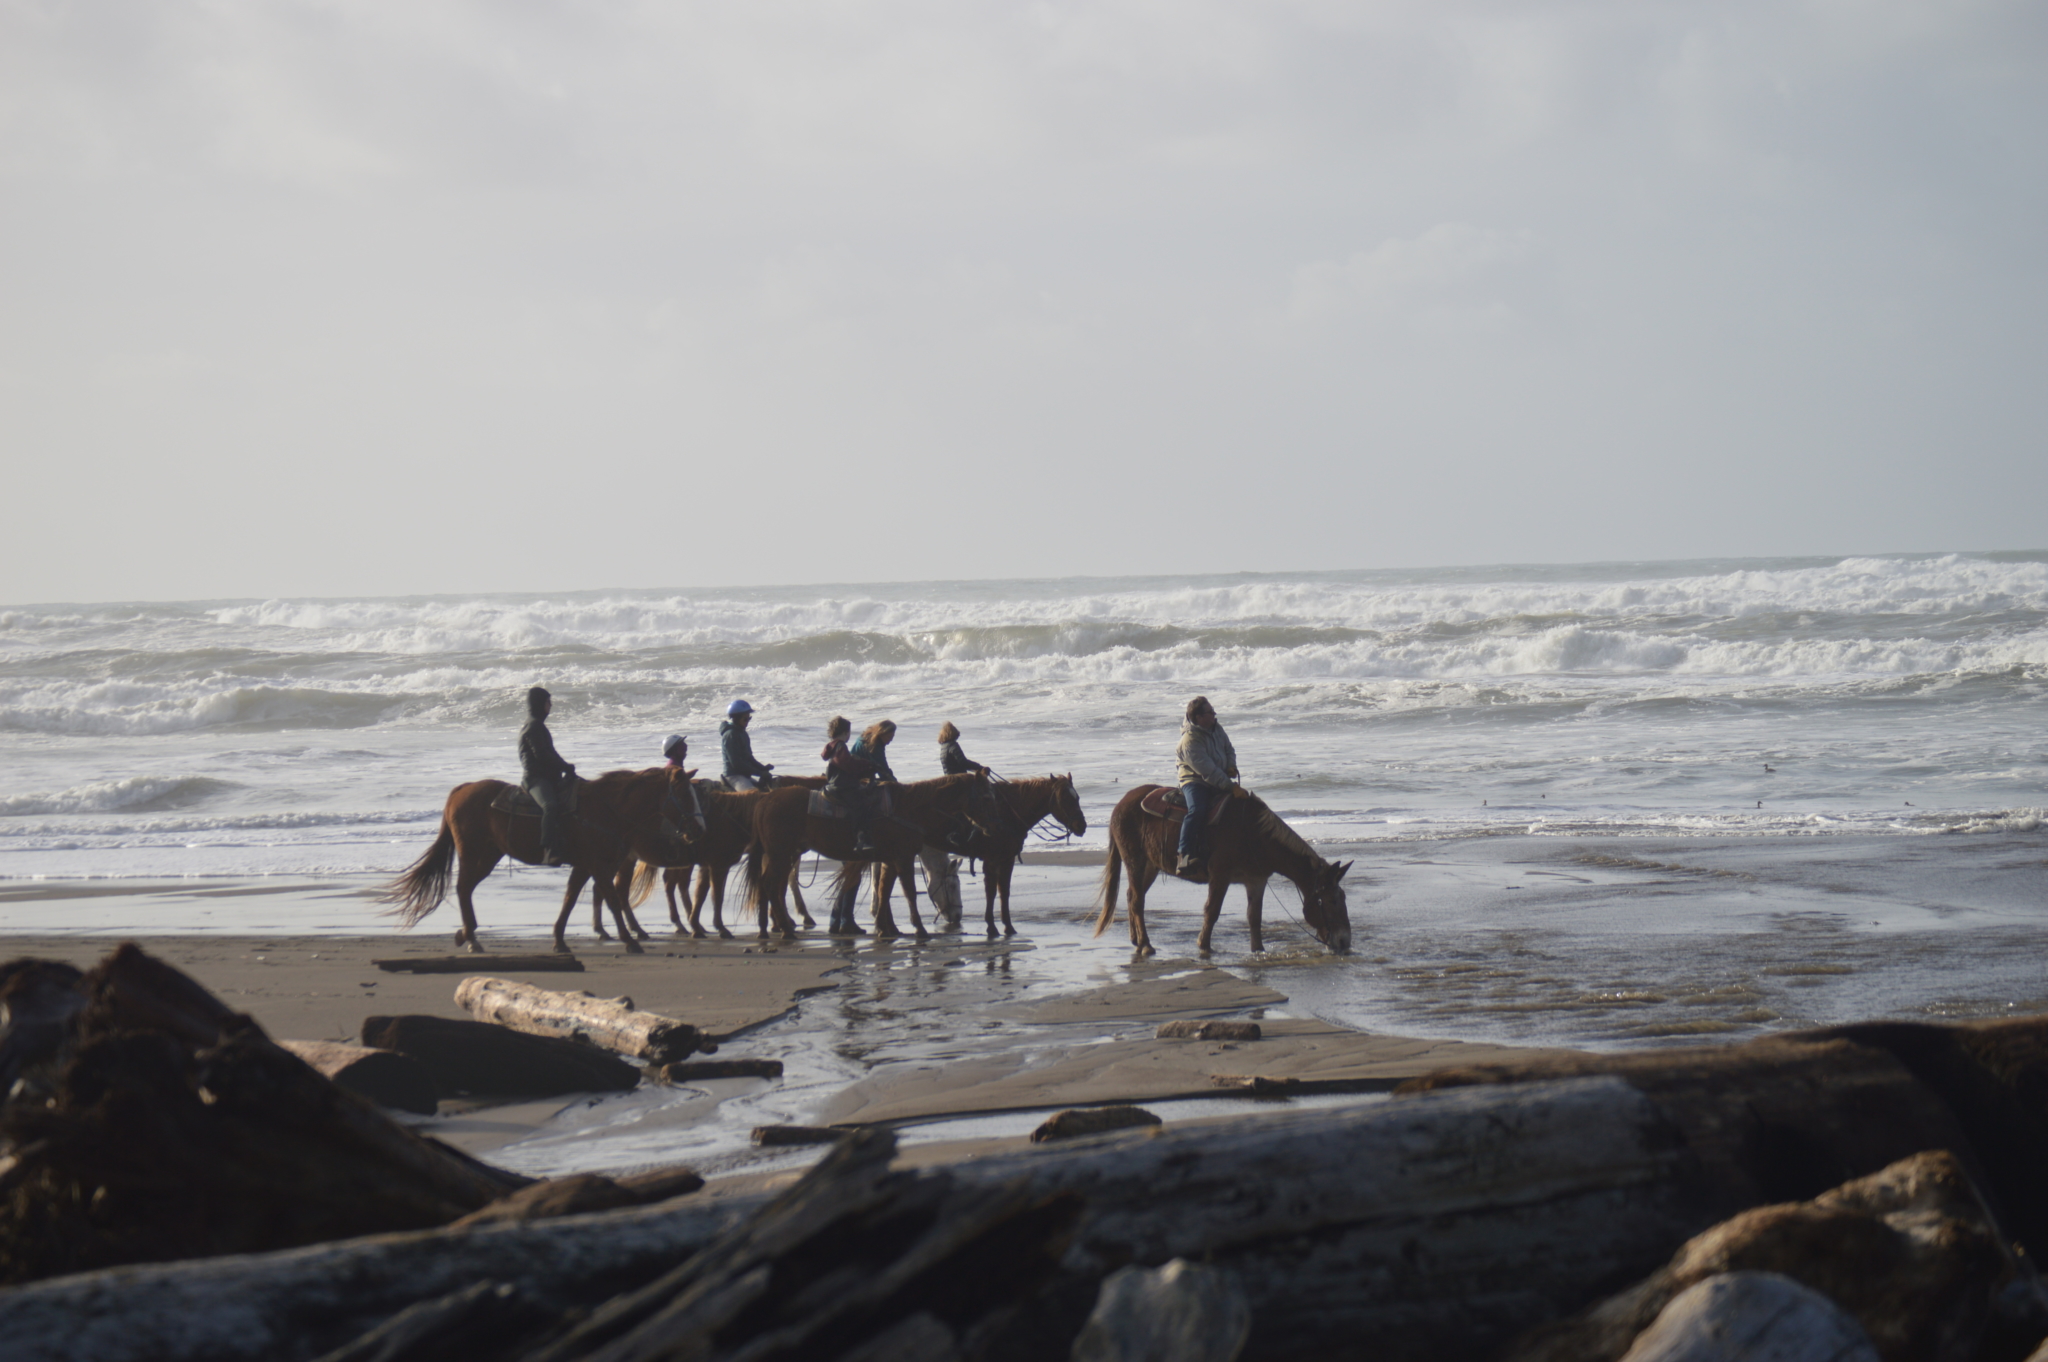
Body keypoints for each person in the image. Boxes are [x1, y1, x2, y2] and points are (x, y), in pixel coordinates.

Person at [1174, 695, 1238, 876]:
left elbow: (1229, 749)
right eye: (1210, 712)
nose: (1214, 714)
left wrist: (1230, 766)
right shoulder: (1189, 741)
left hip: (1218, 777)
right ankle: (1183, 857)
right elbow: (1208, 772)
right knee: (1197, 810)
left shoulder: (1217, 729)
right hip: (1194, 781)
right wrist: (1230, 786)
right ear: (1198, 718)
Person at [519, 686, 577, 866]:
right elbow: (542, 755)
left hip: (548, 778)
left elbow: (552, 753)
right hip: (535, 779)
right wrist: (564, 766)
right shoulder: (533, 726)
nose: (550, 705)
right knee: (550, 805)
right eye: (547, 702)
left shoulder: (539, 725)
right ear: (539, 704)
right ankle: (548, 849)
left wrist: (566, 767)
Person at [820, 716, 880, 855]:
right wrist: (867, 764)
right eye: (849, 732)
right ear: (845, 732)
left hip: (835, 784)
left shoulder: (833, 746)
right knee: (862, 805)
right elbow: (848, 765)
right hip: (843, 786)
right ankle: (861, 838)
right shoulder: (841, 745)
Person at [720, 700, 775, 790]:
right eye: (745, 719)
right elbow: (736, 764)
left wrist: (763, 768)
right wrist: (759, 773)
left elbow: (749, 758)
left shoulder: (742, 733)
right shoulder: (730, 735)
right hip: (734, 776)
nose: (747, 721)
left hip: (744, 775)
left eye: (749, 718)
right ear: (736, 719)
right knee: (753, 795)